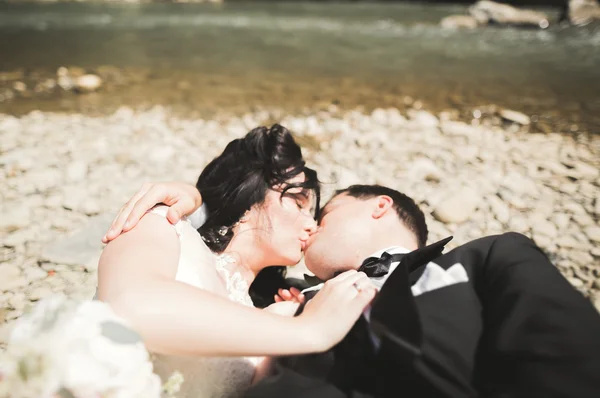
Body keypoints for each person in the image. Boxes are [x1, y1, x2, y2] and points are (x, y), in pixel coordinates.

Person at [108, 183, 600, 398]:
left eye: (323, 214)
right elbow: (223, 251)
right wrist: (194, 199)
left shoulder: (484, 257)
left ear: (379, 207)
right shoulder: (282, 298)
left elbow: (566, 354)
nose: (309, 228)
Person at [96, 125, 376, 398]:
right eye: (299, 202)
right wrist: (308, 330)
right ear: (250, 196)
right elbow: (130, 309)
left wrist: (277, 340)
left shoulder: (268, 315)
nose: (310, 225)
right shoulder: (165, 224)